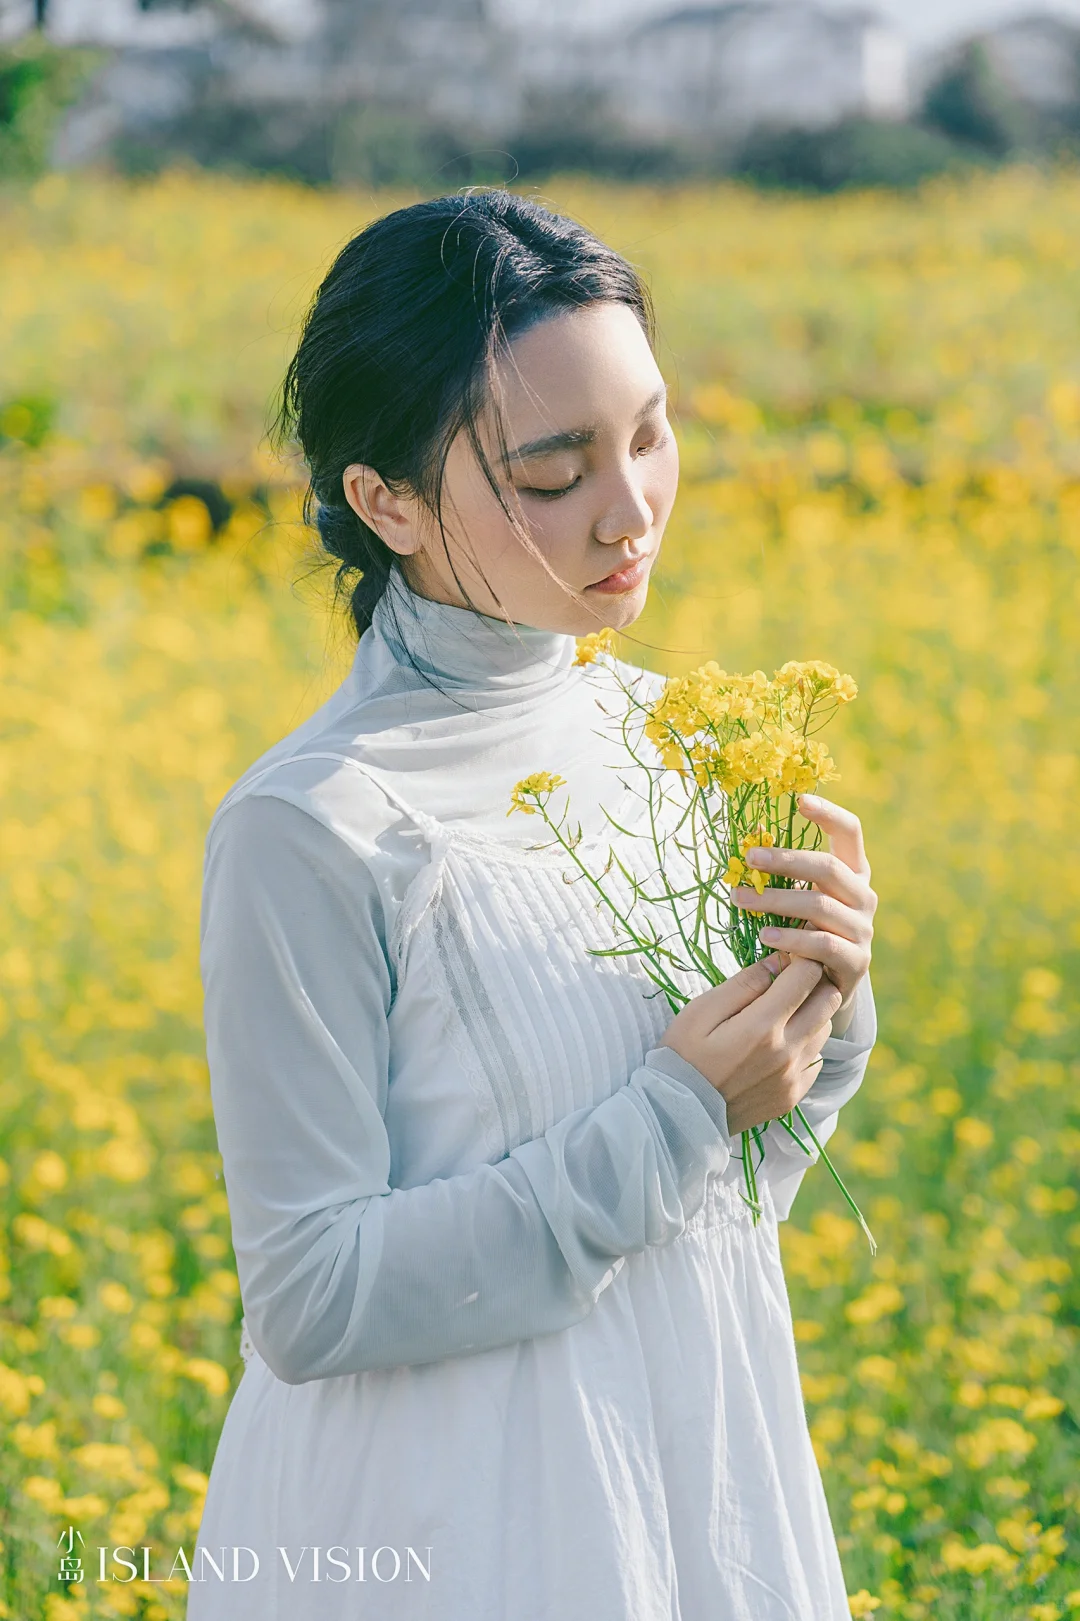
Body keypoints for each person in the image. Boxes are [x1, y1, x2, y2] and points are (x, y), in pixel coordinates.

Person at [189, 190, 878, 1620]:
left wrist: (824, 1009)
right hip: (453, 1516)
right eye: (553, 472)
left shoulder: (680, 743)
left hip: (699, 1457)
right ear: (385, 501)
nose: (630, 510)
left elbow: (724, 1200)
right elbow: (311, 1297)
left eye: (650, 435)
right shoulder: (310, 825)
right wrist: (678, 1109)